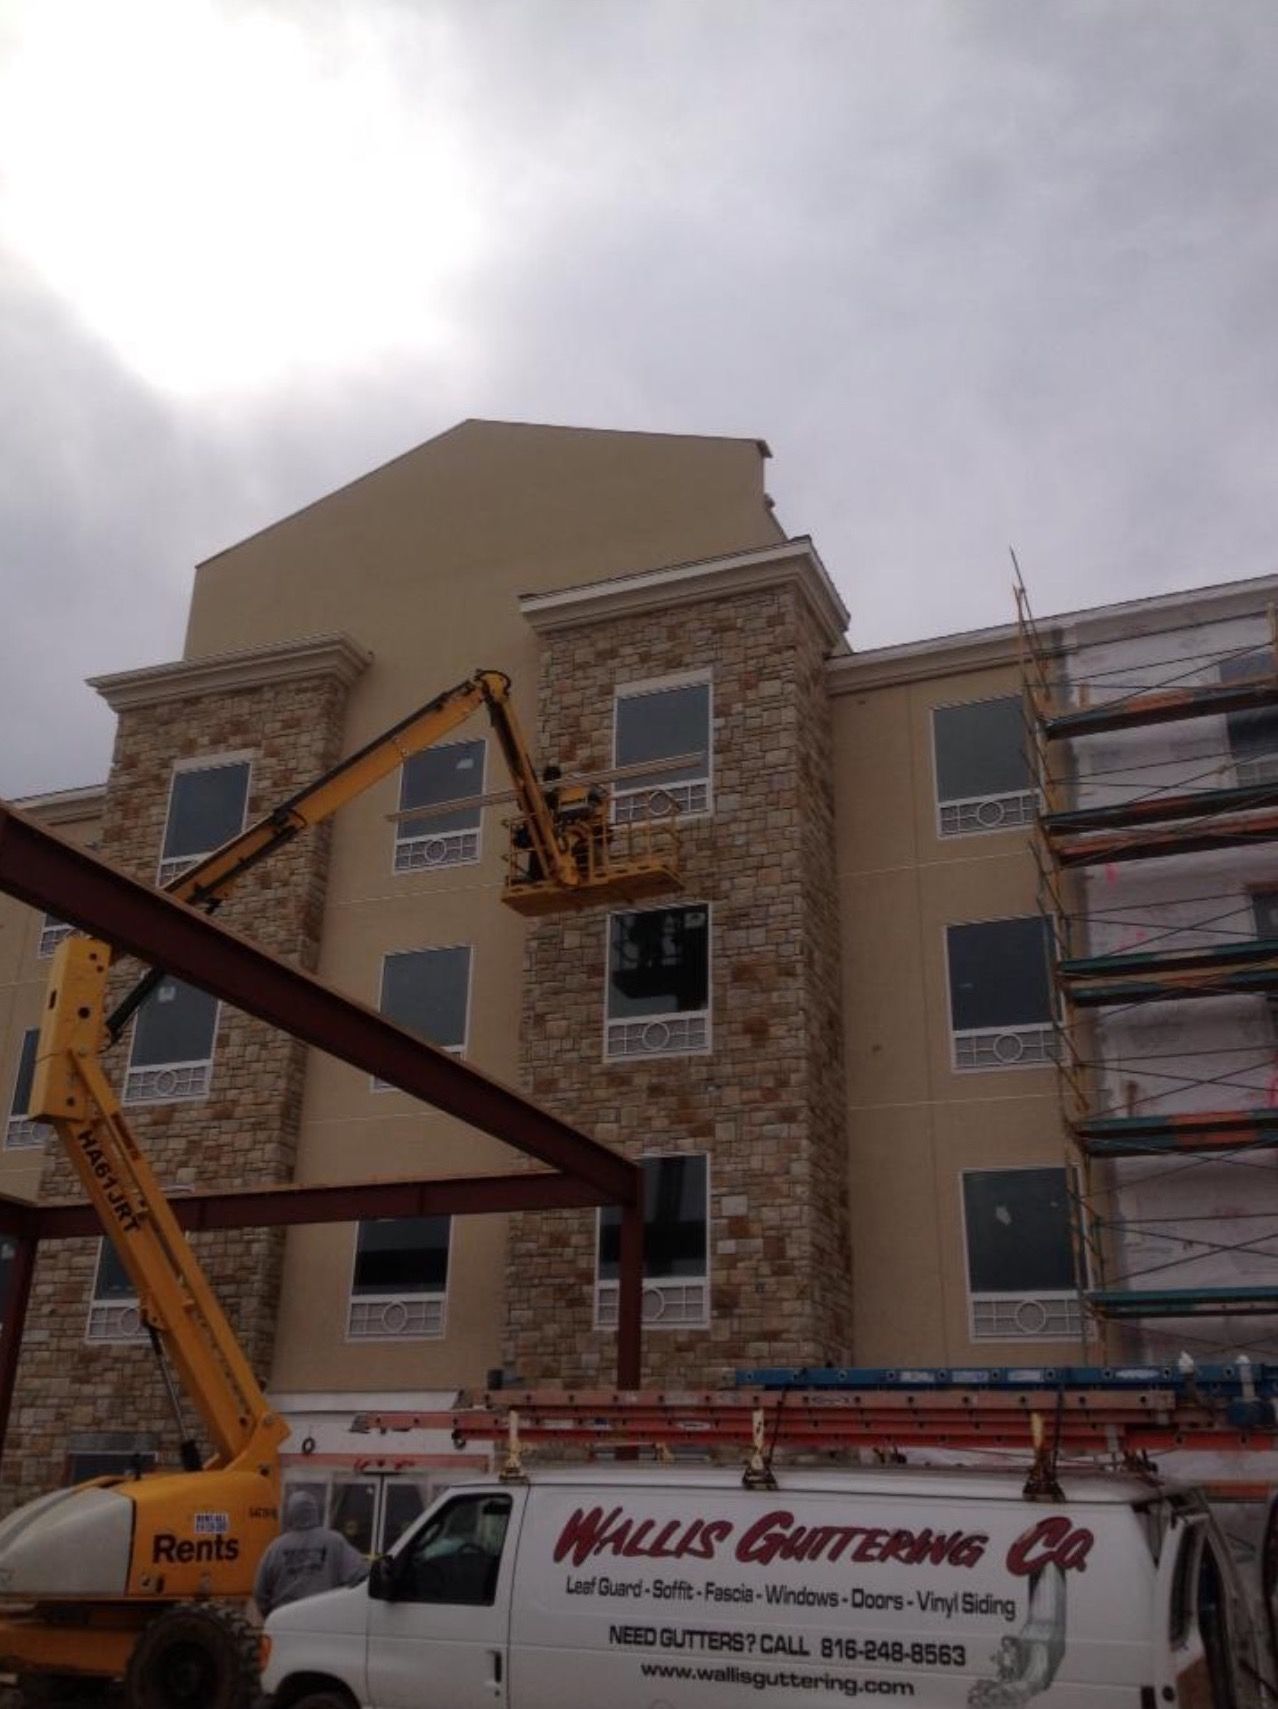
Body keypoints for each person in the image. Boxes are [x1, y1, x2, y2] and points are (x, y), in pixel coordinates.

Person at [253, 1489, 366, 1617]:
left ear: (290, 1514)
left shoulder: (276, 1548)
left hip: (285, 1619)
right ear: (315, 1511)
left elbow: (260, 1591)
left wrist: (271, 1615)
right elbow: (359, 1575)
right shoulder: (335, 1542)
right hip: (324, 1618)